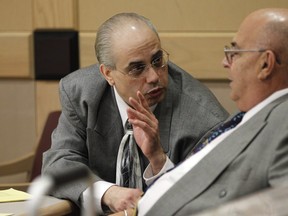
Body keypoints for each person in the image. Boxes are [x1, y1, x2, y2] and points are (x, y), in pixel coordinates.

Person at [41, 12, 228, 215]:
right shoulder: (81, 93)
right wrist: (108, 193)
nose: (154, 76)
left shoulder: (204, 117)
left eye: (158, 60)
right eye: (137, 69)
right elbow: (58, 163)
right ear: (107, 74)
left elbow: (207, 196)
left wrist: (158, 160)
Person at [112, 8, 288, 216]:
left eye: (235, 53)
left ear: (265, 64)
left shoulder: (282, 121)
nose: (225, 62)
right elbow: (195, 189)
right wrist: (157, 157)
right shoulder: (243, 118)